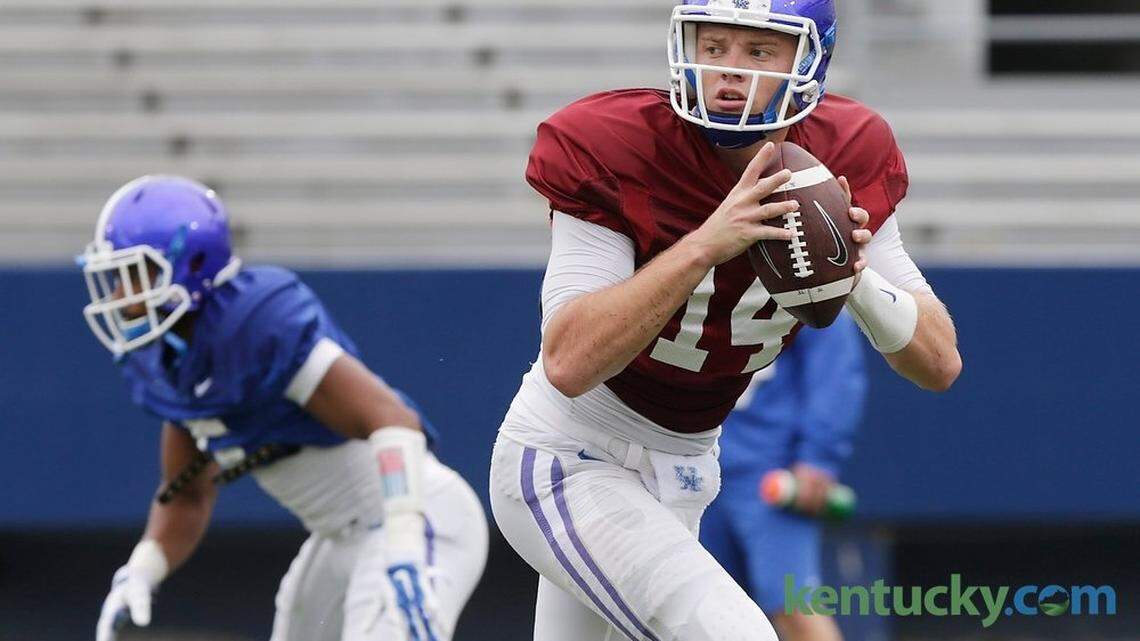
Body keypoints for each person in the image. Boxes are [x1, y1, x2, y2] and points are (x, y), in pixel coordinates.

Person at [488, 1, 961, 640]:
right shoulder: (613, 142)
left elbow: (938, 363)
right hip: (572, 455)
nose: (730, 72)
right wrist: (705, 244)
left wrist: (850, 274)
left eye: (758, 53)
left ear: (810, 61)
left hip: (687, 466)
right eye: (714, 48)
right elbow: (569, 362)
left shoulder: (846, 152)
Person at [81, 175, 488, 641]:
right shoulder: (173, 360)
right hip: (340, 539)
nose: (118, 296)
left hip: (414, 518)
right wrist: (142, 568)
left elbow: (394, 421)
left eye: (134, 274)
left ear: (188, 265)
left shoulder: (254, 324)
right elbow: (189, 492)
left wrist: (404, 543)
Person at [701, 313, 867, 641]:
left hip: (770, 473)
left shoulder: (803, 273)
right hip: (697, 466)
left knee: (793, 607)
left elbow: (835, 368)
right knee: (705, 614)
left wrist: (818, 458)